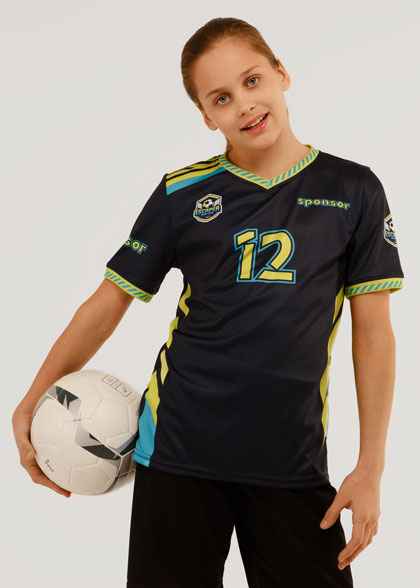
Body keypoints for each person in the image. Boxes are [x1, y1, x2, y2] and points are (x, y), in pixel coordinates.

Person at [12, 16, 404, 588]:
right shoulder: (183, 193)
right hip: (178, 452)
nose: (244, 105)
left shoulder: (354, 190)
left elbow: (374, 334)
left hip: (289, 459)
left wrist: (371, 467)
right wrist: (31, 400)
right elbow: (108, 302)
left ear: (281, 73)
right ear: (205, 116)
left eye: (252, 80)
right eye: (221, 98)